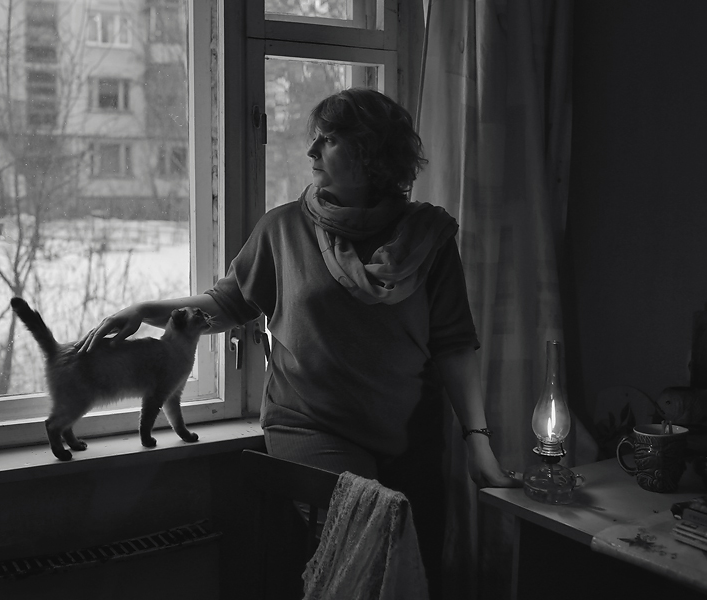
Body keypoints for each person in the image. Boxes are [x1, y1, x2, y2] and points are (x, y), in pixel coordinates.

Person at [78, 87, 520, 597]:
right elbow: (227, 303)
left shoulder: (428, 239)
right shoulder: (285, 228)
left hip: (410, 440)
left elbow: (453, 345)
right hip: (311, 428)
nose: (311, 151)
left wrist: (478, 444)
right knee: (368, 554)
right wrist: (144, 311)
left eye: (328, 139)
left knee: (417, 574)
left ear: (371, 152)